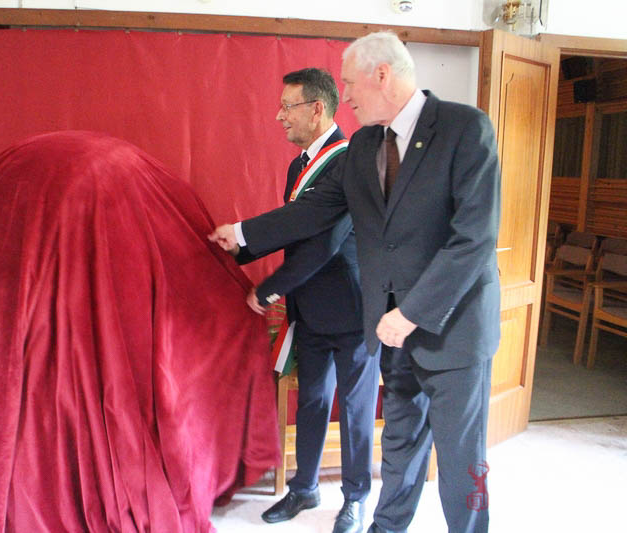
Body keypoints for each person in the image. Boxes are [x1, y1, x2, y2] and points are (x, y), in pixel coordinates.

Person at [210, 31, 501, 533]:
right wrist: (241, 234)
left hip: (453, 330)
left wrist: (411, 313)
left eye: (349, 84)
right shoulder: (364, 144)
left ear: (382, 75)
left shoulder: (464, 128)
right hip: (391, 330)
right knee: (399, 449)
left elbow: (473, 240)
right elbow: (317, 210)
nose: (343, 96)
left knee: (461, 462)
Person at [235, 68, 379, 533]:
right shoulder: (299, 165)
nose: (280, 116)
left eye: (287, 106)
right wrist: (238, 253)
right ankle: (304, 488)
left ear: (317, 109)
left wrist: (269, 287)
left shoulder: (351, 161)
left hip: (354, 312)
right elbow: (292, 228)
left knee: (354, 411)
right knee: (312, 403)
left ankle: (355, 498)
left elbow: (326, 243)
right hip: (311, 311)